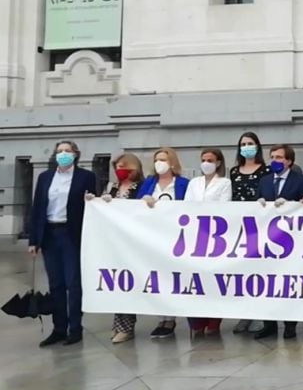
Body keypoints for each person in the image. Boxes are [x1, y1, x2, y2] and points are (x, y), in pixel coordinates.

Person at [27, 140, 98, 347]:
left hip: (71, 234)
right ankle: (59, 328)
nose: (63, 154)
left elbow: (91, 206)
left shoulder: (86, 177)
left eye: (67, 151)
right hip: (50, 234)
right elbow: (37, 207)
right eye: (60, 151)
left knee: (73, 283)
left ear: (76, 154)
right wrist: (34, 240)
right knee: (55, 284)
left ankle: (75, 328)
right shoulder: (45, 177)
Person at [254, 144, 303, 340]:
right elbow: (257, 202)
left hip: (290, 239)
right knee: (267, 281)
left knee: (288, 281)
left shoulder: (301, 180)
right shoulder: (265, 180)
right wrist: (259, 203)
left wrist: (292, 204)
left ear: (289, 161)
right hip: (267, 239)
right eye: (273, 157)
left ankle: (290, 325)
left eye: (279, 158)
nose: (275, 161)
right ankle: (268, 324)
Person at [135, 147, 190, 339]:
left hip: (175, 236)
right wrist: (144, 201)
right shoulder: (149, 182)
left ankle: (171, 317)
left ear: (172, 162)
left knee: (172, 277)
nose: (159, 163)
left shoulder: (183, 183)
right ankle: (162, 318)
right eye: (157, 159)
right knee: (157, 276)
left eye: (163, 159)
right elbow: (134, 206)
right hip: (153, 236)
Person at [182, 148, 233, 336]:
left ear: (218, 162)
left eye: (210, 160)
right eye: (203, 159)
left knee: (213, 278)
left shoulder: (225, 182)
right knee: (194, 278)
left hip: (216, 234)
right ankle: (197, 321)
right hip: (193, 233)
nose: (206, 163)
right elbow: (186, 204)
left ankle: (214, 319)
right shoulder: (194, 183)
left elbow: (224, 206)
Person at [229, 131, 269, 335]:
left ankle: (263, 315)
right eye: (243, 143)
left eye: (250, 143)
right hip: (239, 227)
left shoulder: (266, 170)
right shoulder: (234, 171)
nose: (247, 147)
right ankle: (246, 314)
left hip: (260, 226)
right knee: (243, 271)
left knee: (260, 270)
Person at [102, 152, 145, 343]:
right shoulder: (112, 187)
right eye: (117, 167)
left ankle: (127, 326)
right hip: (113, 242)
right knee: (115, 283)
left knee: (128, 283)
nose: (120, 170)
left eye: (124, 166)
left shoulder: (141, 187)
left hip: (133, 242)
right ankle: (118, 323)